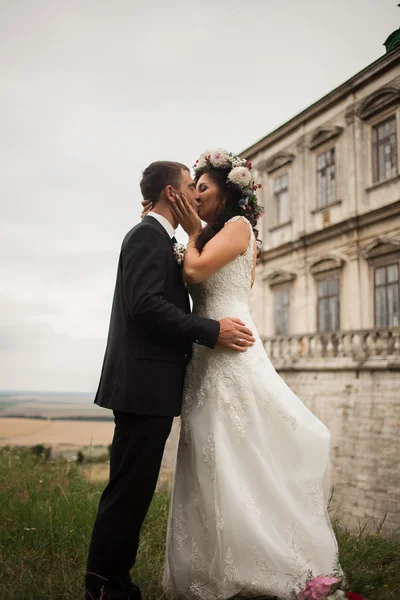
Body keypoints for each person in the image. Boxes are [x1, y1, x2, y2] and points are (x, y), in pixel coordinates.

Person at [160, 150, 341, 599]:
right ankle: (210, 561)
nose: (194, 194)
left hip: (231, 345)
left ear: (229, 190)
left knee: (238, 448)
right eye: (193, 187)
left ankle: (262, 560)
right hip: (205, 352)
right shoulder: (213, 232)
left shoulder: (239, 229)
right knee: (206, 451)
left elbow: (196, 269)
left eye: (202, 187)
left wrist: (192, 233)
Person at [84, 160, 256, 600]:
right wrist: (211, 330)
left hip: (151, 385)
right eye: (188, 187)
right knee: (128, 491)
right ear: (171, 192)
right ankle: (105, 586)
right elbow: (145, 305)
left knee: (134, 490)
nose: (194, 197)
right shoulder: (146, 235)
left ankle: (113, 581)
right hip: (143, 385)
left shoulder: (162, 236)